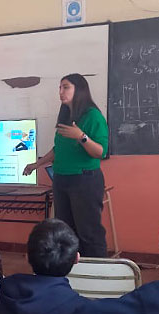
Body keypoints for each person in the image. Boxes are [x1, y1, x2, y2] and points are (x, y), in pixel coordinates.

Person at [23, 73, 109, 257]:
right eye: (60, 88)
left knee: (88, 232)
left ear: (80, 90)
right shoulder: (66, 114)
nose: (61, 92)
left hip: (84, 180)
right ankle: (71, 270)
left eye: (66, 87)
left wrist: (82, 136)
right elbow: (59, 148)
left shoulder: (93, 116)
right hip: (61, 179)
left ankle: (97, 272)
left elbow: (100, 152)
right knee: (65, 231)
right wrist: (36, 164)